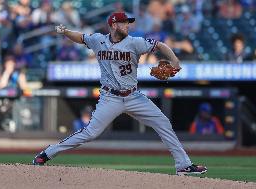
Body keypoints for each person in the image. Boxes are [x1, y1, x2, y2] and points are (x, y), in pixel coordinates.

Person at [32, 12, 207, 175]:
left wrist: (174, 60)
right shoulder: (98, 40)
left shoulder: (134, 42)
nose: (128, 26)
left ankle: (183, 165)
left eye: (128, 23)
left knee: (163, 123)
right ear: (114, 25)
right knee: (90, 133)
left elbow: (160, 45)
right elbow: (80, 38)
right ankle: (48, 153)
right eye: (124, 23)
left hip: (134, 96)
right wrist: (66, 32)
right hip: (110, 98)